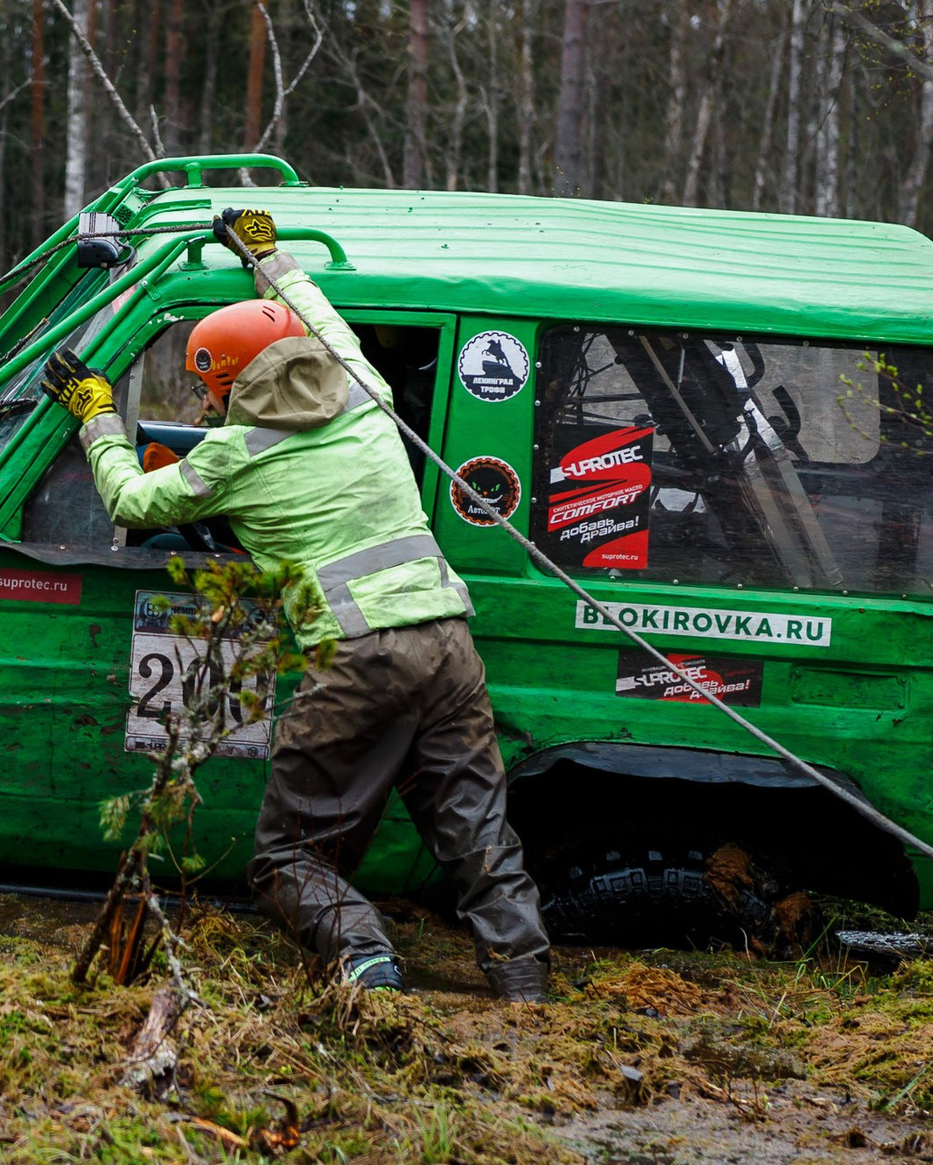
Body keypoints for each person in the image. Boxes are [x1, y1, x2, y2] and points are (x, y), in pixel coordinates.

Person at [39, 207, 551, 1002]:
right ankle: (525, 986)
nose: (205, 406)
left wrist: (97, 415)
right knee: (475, 829)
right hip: (449, 643)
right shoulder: (364, 389)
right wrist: (266, 258)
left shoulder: (233, 455)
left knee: (284, 859)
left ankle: (367, 963)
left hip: (357, 657)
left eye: (209, 389)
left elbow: (134, 502)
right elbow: (319, 315)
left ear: (230, 383)